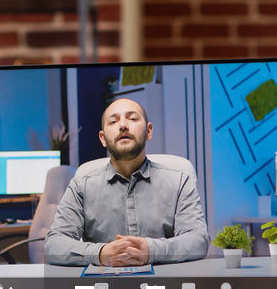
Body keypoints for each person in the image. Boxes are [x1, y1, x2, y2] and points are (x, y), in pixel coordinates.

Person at [44, 98, 209, 266]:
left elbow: (198, 240)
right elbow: (54, 244)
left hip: (165, 287)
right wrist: (100, 254)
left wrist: (152, 251)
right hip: (103, 287)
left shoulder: (179, 180)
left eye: (132, 118)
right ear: (102, 138)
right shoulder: (82, 185)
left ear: (149, 131)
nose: (123, 125)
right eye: (113, 121)